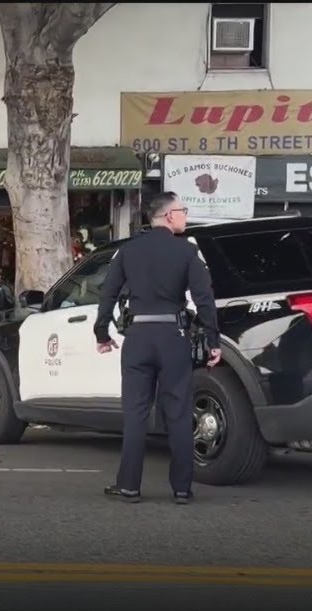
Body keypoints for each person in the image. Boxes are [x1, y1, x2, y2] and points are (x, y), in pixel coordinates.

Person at [93, 192, 222, 504]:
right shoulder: (188, 252)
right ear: (169, 216)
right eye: (183, 211)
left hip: (137, 338)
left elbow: (107, 294)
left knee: (135, 414)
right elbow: (204, 298)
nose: (186, 216)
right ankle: (181, 489)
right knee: (177, 412)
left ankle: (129, 487)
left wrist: (101, 333)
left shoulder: (127, 251)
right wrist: (213, 341)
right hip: (173, 337)